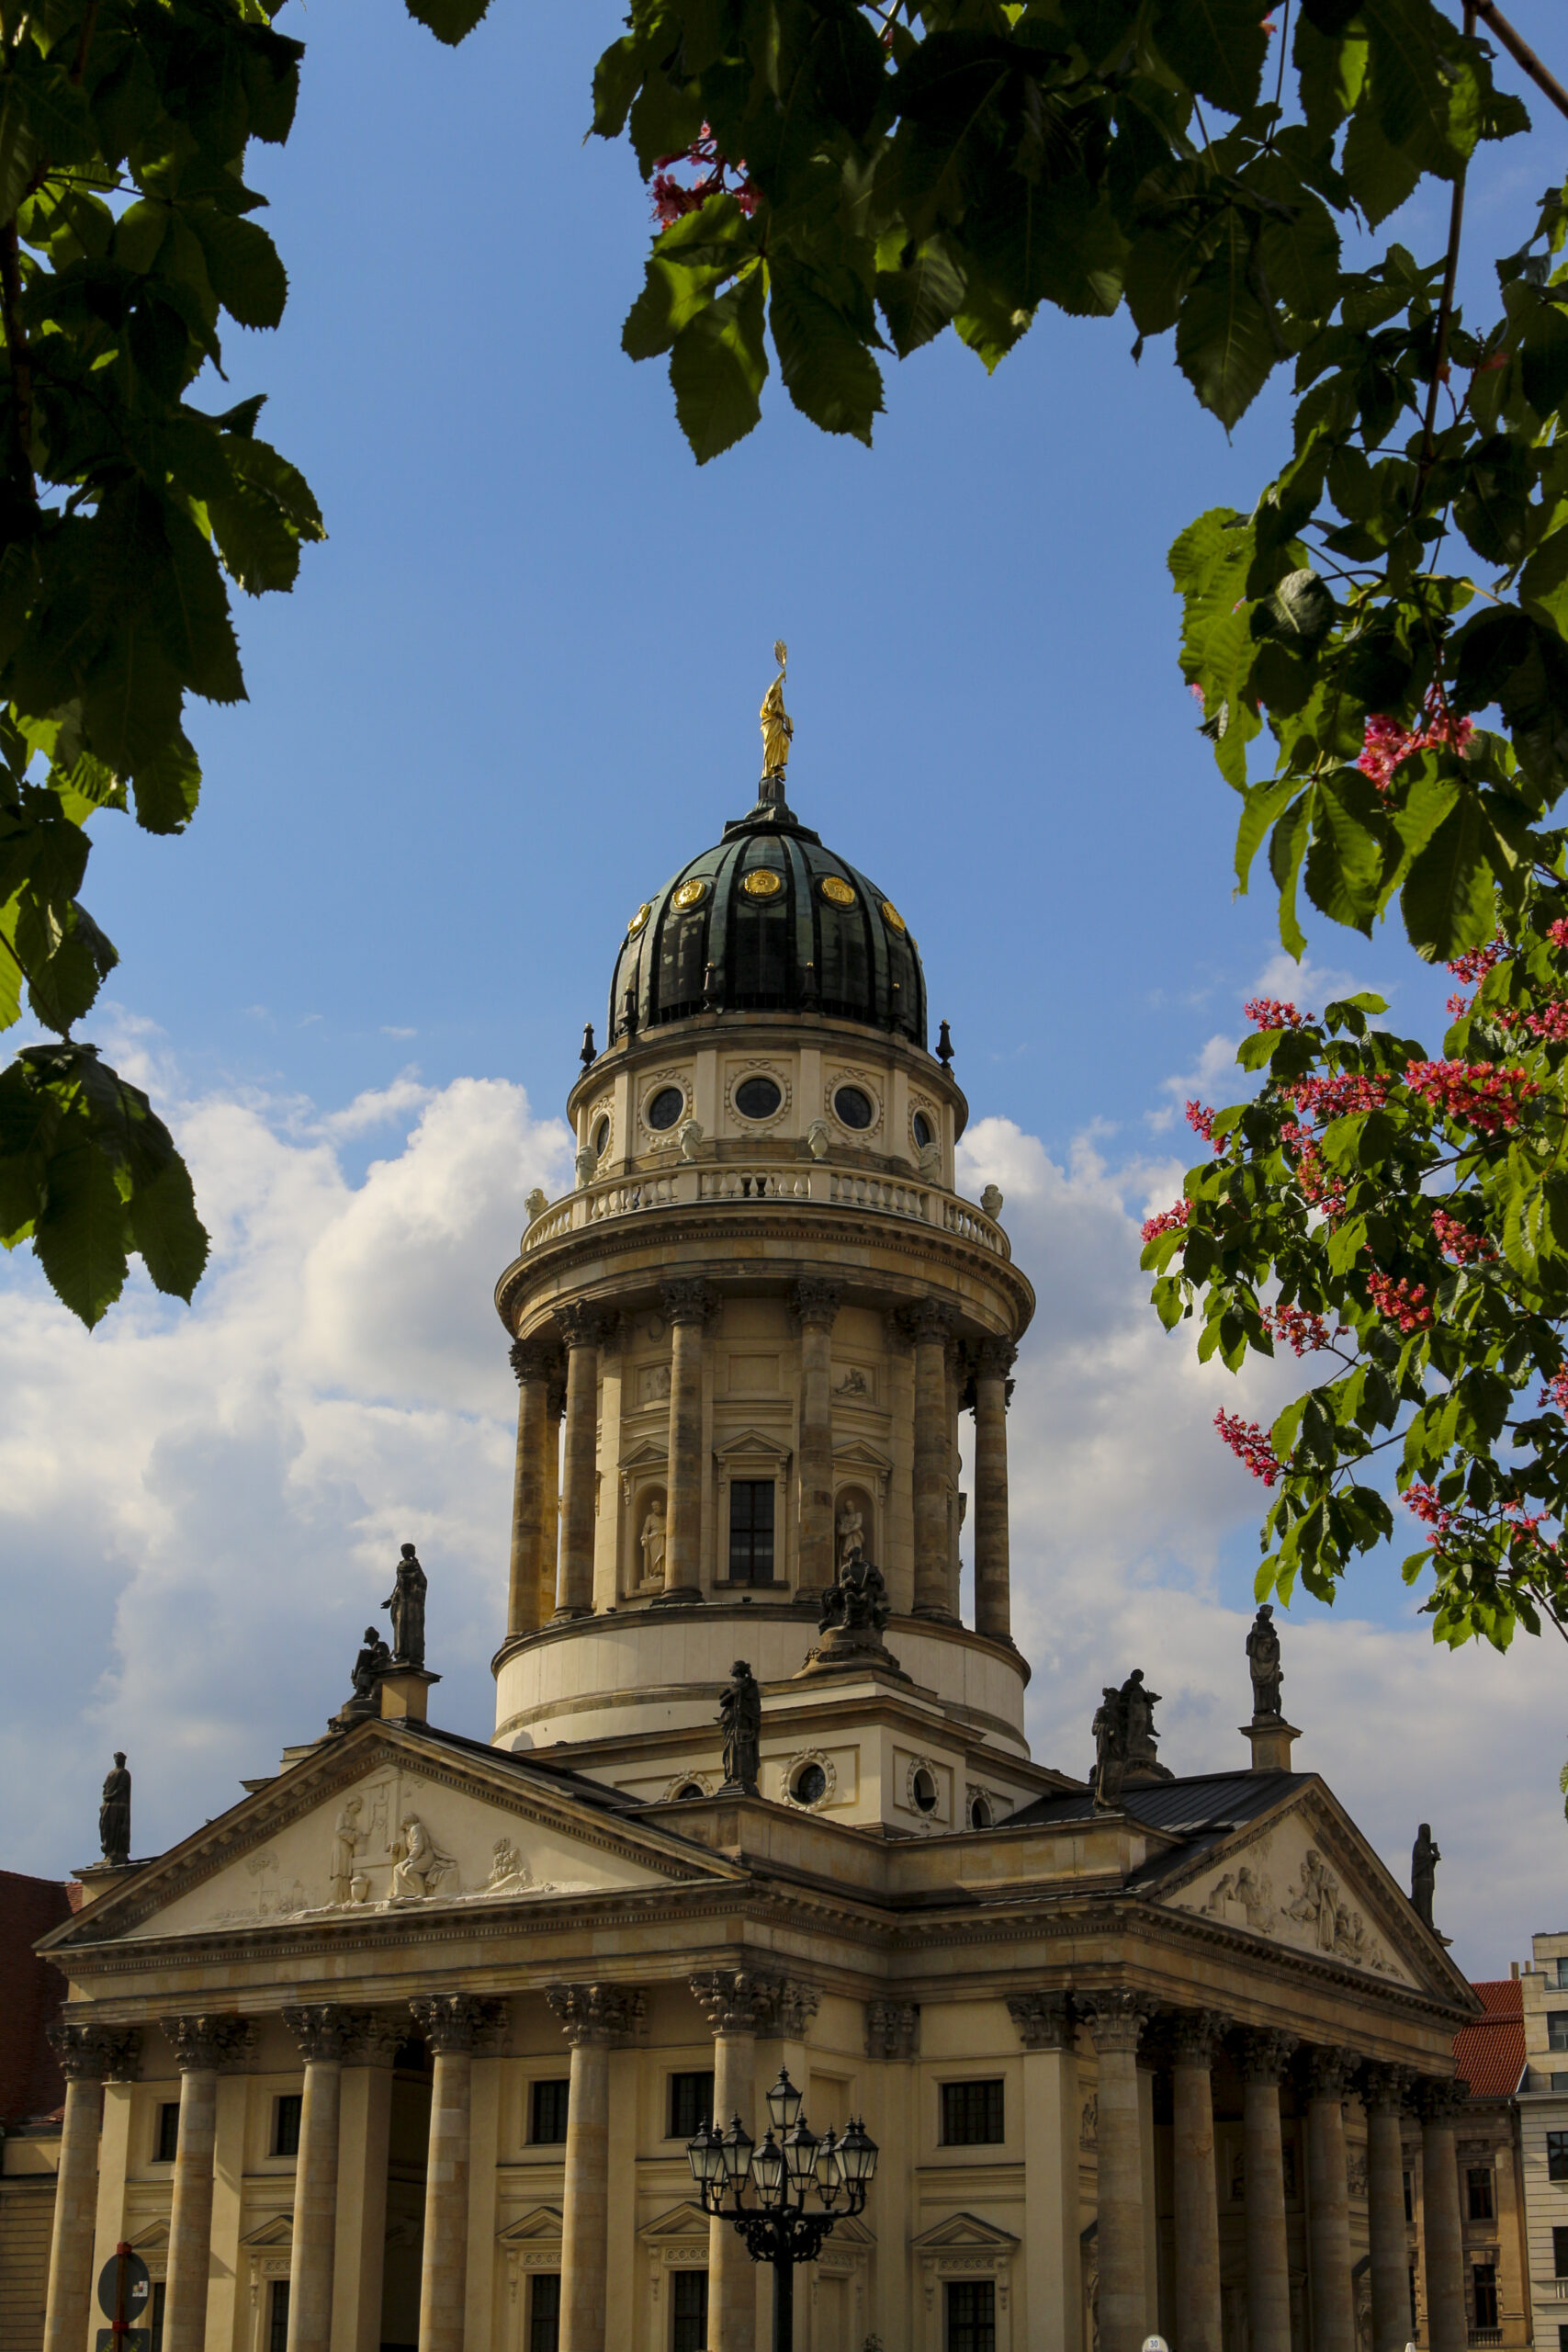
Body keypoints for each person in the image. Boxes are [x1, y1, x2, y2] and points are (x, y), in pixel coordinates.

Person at [718, 1660, 762, 1792]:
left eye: (732, 1667)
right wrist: (733, 1693)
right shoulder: (731, 1686)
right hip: (732, 1724)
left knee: (743, 1750)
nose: (729, 1670)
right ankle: (733, 1776)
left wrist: (743, 1704)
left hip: (744, 1723)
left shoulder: (750, 1686)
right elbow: (722, 1702)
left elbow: (755, 1706)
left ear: (737, 1669)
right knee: (732, 1750)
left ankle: (743, 1777)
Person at [384, 1543, 427, 1667]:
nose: (406, 1552)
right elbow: (397, 1585)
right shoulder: (400, 1566)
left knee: (413, 1627)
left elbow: (422, 1581)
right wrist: (390, 1599)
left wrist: (413, 1575)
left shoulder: (416, 1566)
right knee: (400, 1626)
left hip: (412, 1603)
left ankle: (414, 1654)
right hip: (400, 1601)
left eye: (409, 1550)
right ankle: (401, 1653)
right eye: (404, 1550)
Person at [1247, 1604, 1284, 1717]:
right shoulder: (1257, 1627)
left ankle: (1270, 1709)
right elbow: (1251, 1644)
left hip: (1270, 1662)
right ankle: (1260, 1709)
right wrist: (1261, 1637)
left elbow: (1273, 1643)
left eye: (1271, 1611)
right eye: (1268, 1611)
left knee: (1272, 1688)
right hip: (1260, 1663)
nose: (1270, 1613)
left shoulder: (1270, 1628)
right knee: (1262, 1688)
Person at [99, 1753, 131, 1865]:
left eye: (121, 1758)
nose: (119, 1760)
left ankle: (116, 1852)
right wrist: (105, 1796)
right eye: (117, 1758)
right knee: (105, 1827)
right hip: (108, 1805)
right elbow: (105, 1787)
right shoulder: (111, 1773)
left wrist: (111, 1796)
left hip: (119, 1806)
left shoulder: (124, 1773)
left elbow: (122, 1788)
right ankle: (108, 1851)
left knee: (117, 1828)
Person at [1411, 1822, 1440, 1928]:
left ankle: (1427, 1921)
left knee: (1427, 1903)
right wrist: (1430, 1856)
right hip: (1422, 1880)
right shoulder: (1419, 1843)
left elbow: (1429, 1863)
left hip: (1428, 1880)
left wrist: (1435, 1853)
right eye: (1425, 1831)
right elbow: (1420, 1856)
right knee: (1422, 1903)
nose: (1428, 1833)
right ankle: (1424, 1921)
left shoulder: (1427, 1847)